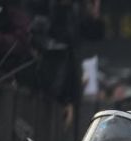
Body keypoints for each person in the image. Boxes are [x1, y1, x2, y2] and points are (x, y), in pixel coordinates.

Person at [26, 0, 105, 128]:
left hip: (64, 94)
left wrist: (93, 14)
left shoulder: (74, 13)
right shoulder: (43, 11)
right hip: (39, 90)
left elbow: (94, 34)